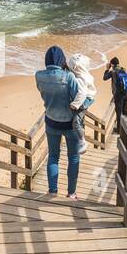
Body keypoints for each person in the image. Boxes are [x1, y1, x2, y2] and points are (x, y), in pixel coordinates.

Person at [35, 45, 81, 199]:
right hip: (70, 123)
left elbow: (42, 94)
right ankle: (71, 193)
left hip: (51, 121)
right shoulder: (68, 77)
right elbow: (77, 100)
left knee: (53, 156)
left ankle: (52, 190)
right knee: (73, 157)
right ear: (62, 60)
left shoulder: (39, 76)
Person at [69, 54, 97, 154]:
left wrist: (74, 105)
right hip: (89, 97)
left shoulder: (80, 79)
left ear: (75, 67)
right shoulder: (85, 75)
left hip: (84, 100)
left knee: (76, 121)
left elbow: (81, 93)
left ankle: (82, 141)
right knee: (78, 120)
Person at [103, 57, 127, 133]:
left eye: (111, 63)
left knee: (118, 112)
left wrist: (107, 69)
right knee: (124, 111)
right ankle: (126, 129)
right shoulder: (123, 69)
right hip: (126, 92)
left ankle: (119, 130)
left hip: (118, 95)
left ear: (112, 64)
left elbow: (104, 78)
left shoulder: (113, 72)